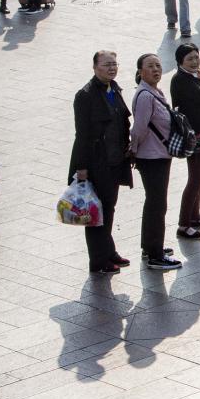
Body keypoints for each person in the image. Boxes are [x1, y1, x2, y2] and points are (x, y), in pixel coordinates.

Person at [69, 50, 133, 275]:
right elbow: (82, 135)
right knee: (95, 212)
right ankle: (98, 261)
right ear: (95, 67)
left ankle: (108, 250)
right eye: (107, 64)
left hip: (115, 159)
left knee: (109, 207)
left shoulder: (114, 89)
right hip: (97, 162)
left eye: (114, 64)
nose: (112, 68)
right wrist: (82, 168)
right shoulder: (85, 95)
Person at [128, 54, 183, 272]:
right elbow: (139, 128)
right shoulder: (145, 96)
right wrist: (133, 150)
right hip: (151, 157)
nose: (156, 69)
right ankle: (155, 255)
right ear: (140, 71)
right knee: (157, 204)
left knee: (154, 202)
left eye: (158, 65)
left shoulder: (154, 92)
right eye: (150, 66)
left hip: (158, 154)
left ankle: (150, 246)